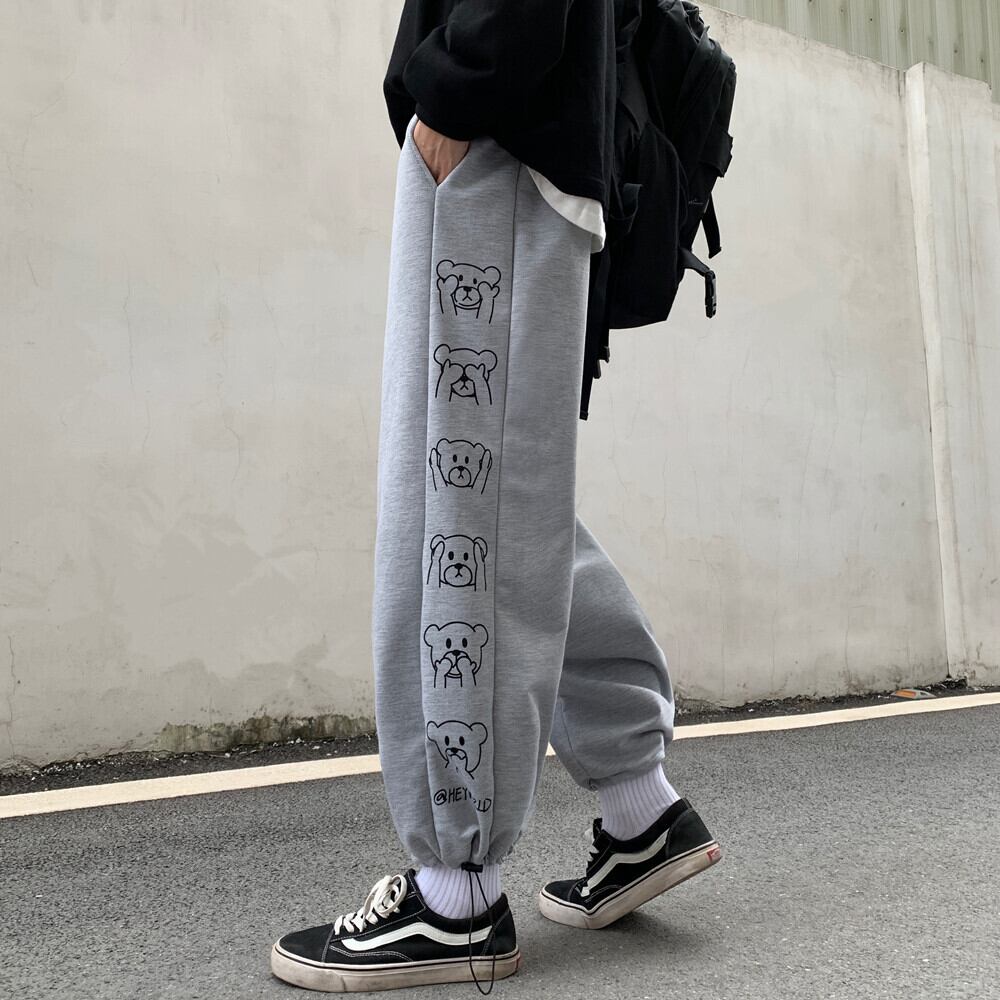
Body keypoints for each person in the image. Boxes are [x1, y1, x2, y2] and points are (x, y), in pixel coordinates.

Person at [271, 1, 722, 992]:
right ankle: (639, 805)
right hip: (529, 147)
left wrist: (455, 93)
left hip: (496, 142)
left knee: (453, 511)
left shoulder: (478, 117)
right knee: (507, 503)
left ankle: (456, 893)